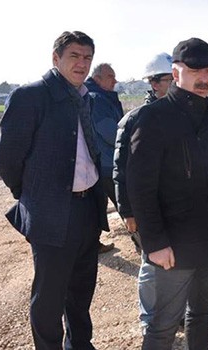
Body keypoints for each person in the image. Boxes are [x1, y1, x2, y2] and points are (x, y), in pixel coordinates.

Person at [0, 31, 109, 349]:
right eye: (74, 56)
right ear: (55, 58)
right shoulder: (30, 97)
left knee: (81, 290)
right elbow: (6, 156)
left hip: (87, 209)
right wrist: (30, 194)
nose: (82, 63)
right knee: (49, 295)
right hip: (52, 212)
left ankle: (80, 345)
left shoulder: (86, 97)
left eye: (87, 58)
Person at [125, 37, 208, 350]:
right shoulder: (152, 119)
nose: (204, 78)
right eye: (195, 71)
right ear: (175, 74)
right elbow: (140, 187)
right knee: (162, 326)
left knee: (202, 313)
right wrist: (156, 243)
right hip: (173, 245)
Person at [113, 52, 173, 327]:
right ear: (153, 83)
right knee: (151, 265)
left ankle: (174, 315)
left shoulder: (185, 115)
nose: (175, 83)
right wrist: (127, 210)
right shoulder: (136, 119)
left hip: (176, 207)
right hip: (148, 208)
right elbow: (121, 169)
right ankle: (150, 320)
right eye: (168, 79)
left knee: (178, 265)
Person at [85, 63, 123, 254]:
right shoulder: (96, 99)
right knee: (124, 201)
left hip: (104, 161)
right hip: (107, 162)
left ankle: (92, 242)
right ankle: (143, 242)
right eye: (110, 76)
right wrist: (129, 141)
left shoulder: (101, 96)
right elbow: (110, 132)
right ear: (97, 78)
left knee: (97, 204)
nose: (115, 80)